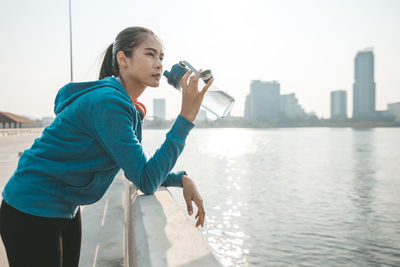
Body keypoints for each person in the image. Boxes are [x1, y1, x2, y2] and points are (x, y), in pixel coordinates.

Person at [0, 26, 213, 267]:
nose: (159, 64)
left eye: (161, 57)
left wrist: (179, 178)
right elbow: (145, 180)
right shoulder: (109, 103)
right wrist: (185, 118)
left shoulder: (124, 104)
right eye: (150, 54)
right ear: (123, 59)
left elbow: (137, 168)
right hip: (31, 208)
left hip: (65, 206)